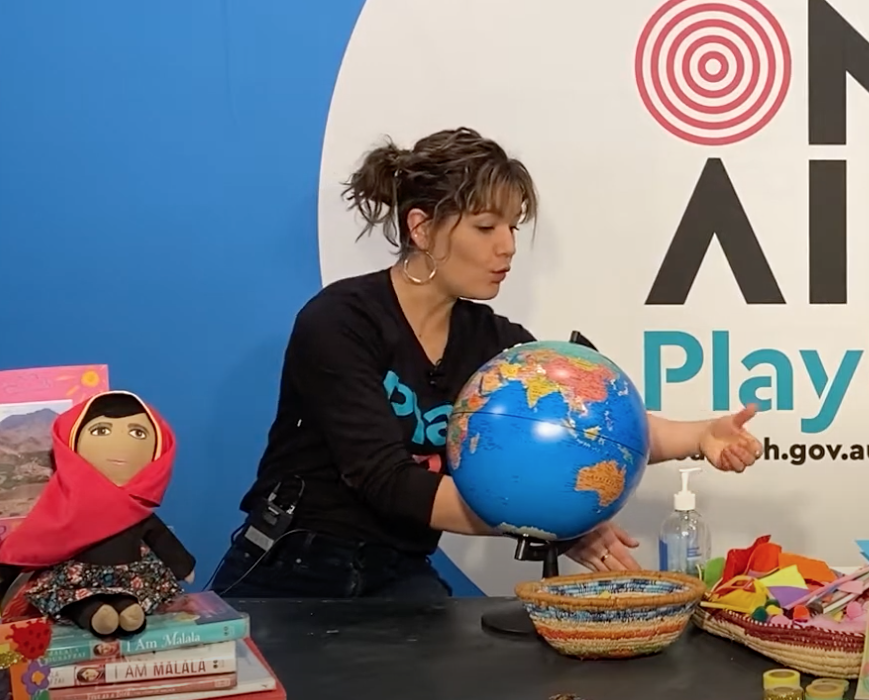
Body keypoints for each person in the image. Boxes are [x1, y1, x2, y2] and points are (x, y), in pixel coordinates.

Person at [209, 127, 764, 599]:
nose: (508, 247)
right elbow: (386, 482)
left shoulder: (496, 344)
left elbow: (585, 422)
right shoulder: (338, 321)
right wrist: (550, 525)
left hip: (399, 573)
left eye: (513, 226)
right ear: (421, 228)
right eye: (484, 227)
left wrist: (703, 434)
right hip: (292, 569)